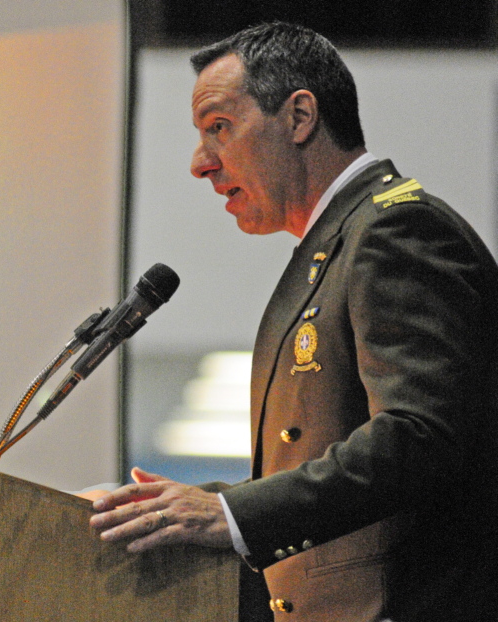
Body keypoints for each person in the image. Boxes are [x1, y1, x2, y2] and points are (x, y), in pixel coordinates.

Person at [88, 22, 498, 622]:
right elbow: (325, 469)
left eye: (219, 127)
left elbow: (418, 438)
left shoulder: (394, 230)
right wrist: (171, 507)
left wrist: (228, 515)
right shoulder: (337, 243)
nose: (201, 163)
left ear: (300, 117)